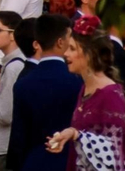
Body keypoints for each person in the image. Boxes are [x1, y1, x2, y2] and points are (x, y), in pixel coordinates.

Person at [45, 27, 125, 171]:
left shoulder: (110, 94)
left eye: (72, 49)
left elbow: (114, 152)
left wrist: (76, 134)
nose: (65, 54)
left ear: (89, 54)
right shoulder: (85, 89)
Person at [8, 14, 82, 171]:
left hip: (34, 162)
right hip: (71, 161)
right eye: (70, 37)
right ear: (60, 42)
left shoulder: (23, 84)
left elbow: (19, 137)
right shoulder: (78, 80)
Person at [0, 13, 31, 171]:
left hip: (6, 145)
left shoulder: (13, 67)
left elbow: (5, 115)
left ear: (13, 34)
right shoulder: (11, 63)